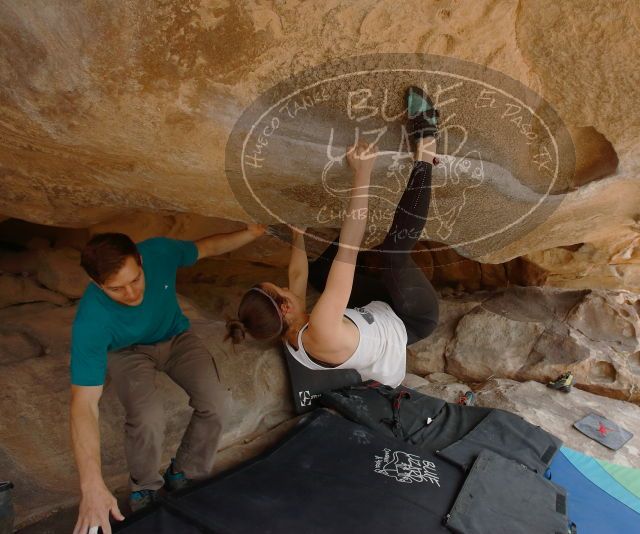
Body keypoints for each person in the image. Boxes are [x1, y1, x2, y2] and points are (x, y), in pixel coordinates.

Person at [226, 86, 441, 388]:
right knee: (393, 254)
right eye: (282, 289)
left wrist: (297, 236)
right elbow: (349, 248)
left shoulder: (287, 330)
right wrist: (363, 173)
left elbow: (298, 274)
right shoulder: (322, 327)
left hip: (376, 309)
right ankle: (428, 145)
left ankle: (378, 272)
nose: (289, 288)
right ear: (285, 308)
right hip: (411, 319)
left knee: (317, 272)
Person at [70, 224, 266, 534]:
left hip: (176, 337)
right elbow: (84, 405)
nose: (132, 293)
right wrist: (91, 484)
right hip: (127, 352)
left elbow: (207, 246)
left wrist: (252, 233)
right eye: (116, 289)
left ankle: (184, 473)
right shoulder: (90, 321)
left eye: (136, 279)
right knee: (148, 418)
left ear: (141, 260)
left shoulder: (158, 252)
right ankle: (144, 487)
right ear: (96, 284)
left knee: (216, 402)